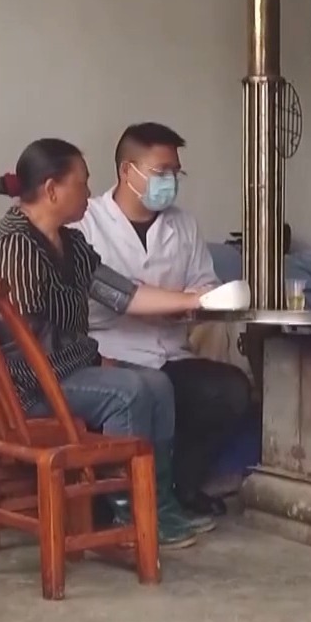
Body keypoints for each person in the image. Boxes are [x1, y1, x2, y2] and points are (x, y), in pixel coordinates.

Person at [0, 137, 210, 549]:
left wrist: (192, 301)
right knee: (128, 392)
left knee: (158, 383)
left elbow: (121, 293)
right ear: (52, 190)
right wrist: (96, 359)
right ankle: (129, 516)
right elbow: (24, 345)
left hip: (55, 374)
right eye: (82, 182)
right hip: (19, 389)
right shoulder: (16, 246)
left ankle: (160, 505)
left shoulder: (70, 244)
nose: (89, 192)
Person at [72, 122, 254, 518]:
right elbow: (116, 295)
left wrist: (198, 303)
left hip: (170, 352)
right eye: (161, 172)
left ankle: (181, 486)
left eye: (176, 172)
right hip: (112, 353)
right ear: (127, 171)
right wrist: (179, 299)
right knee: (140, 391)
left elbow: (204, 285)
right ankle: (117, 500)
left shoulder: (183, 224)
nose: (170, 181)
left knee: (231, 391)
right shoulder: (84, 225)